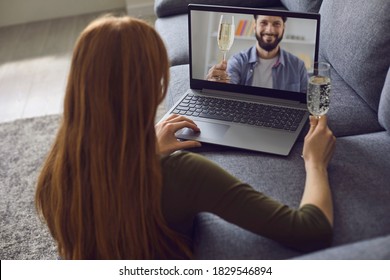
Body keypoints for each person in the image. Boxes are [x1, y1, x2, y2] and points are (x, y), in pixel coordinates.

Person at [35, 15, 336, 260]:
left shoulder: (54, 173)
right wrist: (315, 161)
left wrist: (148, 152)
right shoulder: (182, 174)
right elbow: (310, 230)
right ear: (153, 90)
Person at [207, 15, 308, 93]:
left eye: (276, 24)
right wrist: (216, 85)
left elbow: (306, 102)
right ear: (254, 26)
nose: (269, 30)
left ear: (283, 28)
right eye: (264, 23)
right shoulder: (238, 61)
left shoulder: (298, 66)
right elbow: (227, 87)